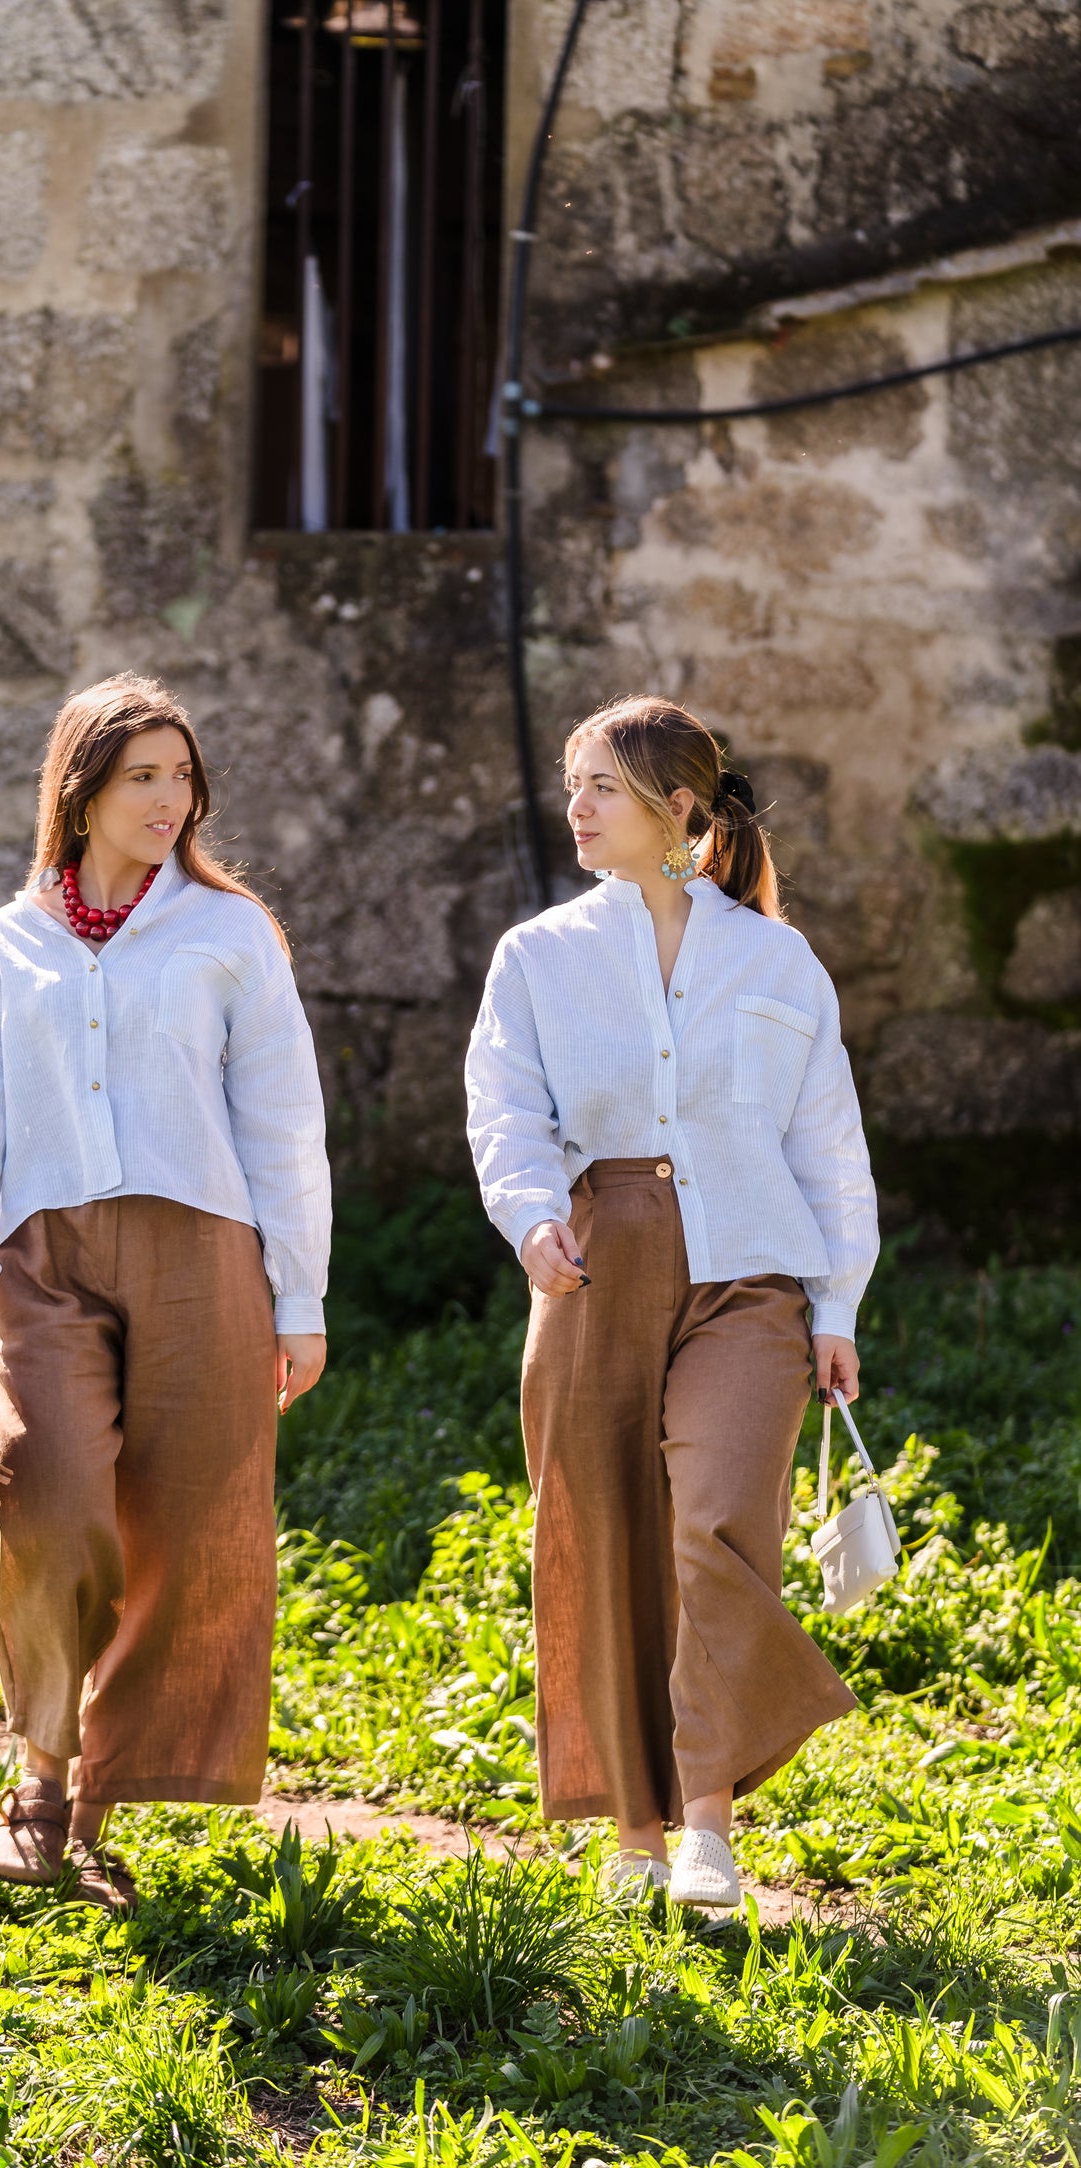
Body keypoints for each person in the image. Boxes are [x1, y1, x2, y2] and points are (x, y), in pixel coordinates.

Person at [0, 673, 331, 1912]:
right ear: (81, 787)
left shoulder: (227, 931)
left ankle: (90, 1802)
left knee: (188, 1530)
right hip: (39, 1259)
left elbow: (282, 1117)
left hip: (204, 1255)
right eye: (141, 774)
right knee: (49, 1497)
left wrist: (297, 1296)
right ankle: (34, 1772)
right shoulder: (13, 938)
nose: (169, 797)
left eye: (180, 775)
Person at [465, 695, 878, 1909]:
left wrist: (834, 1302)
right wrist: (530, 1212)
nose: (575, 805)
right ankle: (635, 1831)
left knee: (716, 1523)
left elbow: (825, 1138)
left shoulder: (773, 958)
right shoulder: (535, 955)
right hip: (593, 1260)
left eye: (599, 784)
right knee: (599, 1537)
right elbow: (506, 1110)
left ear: (676, 808)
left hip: (748, 1273)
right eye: (573, 781)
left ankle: (707, 1821)